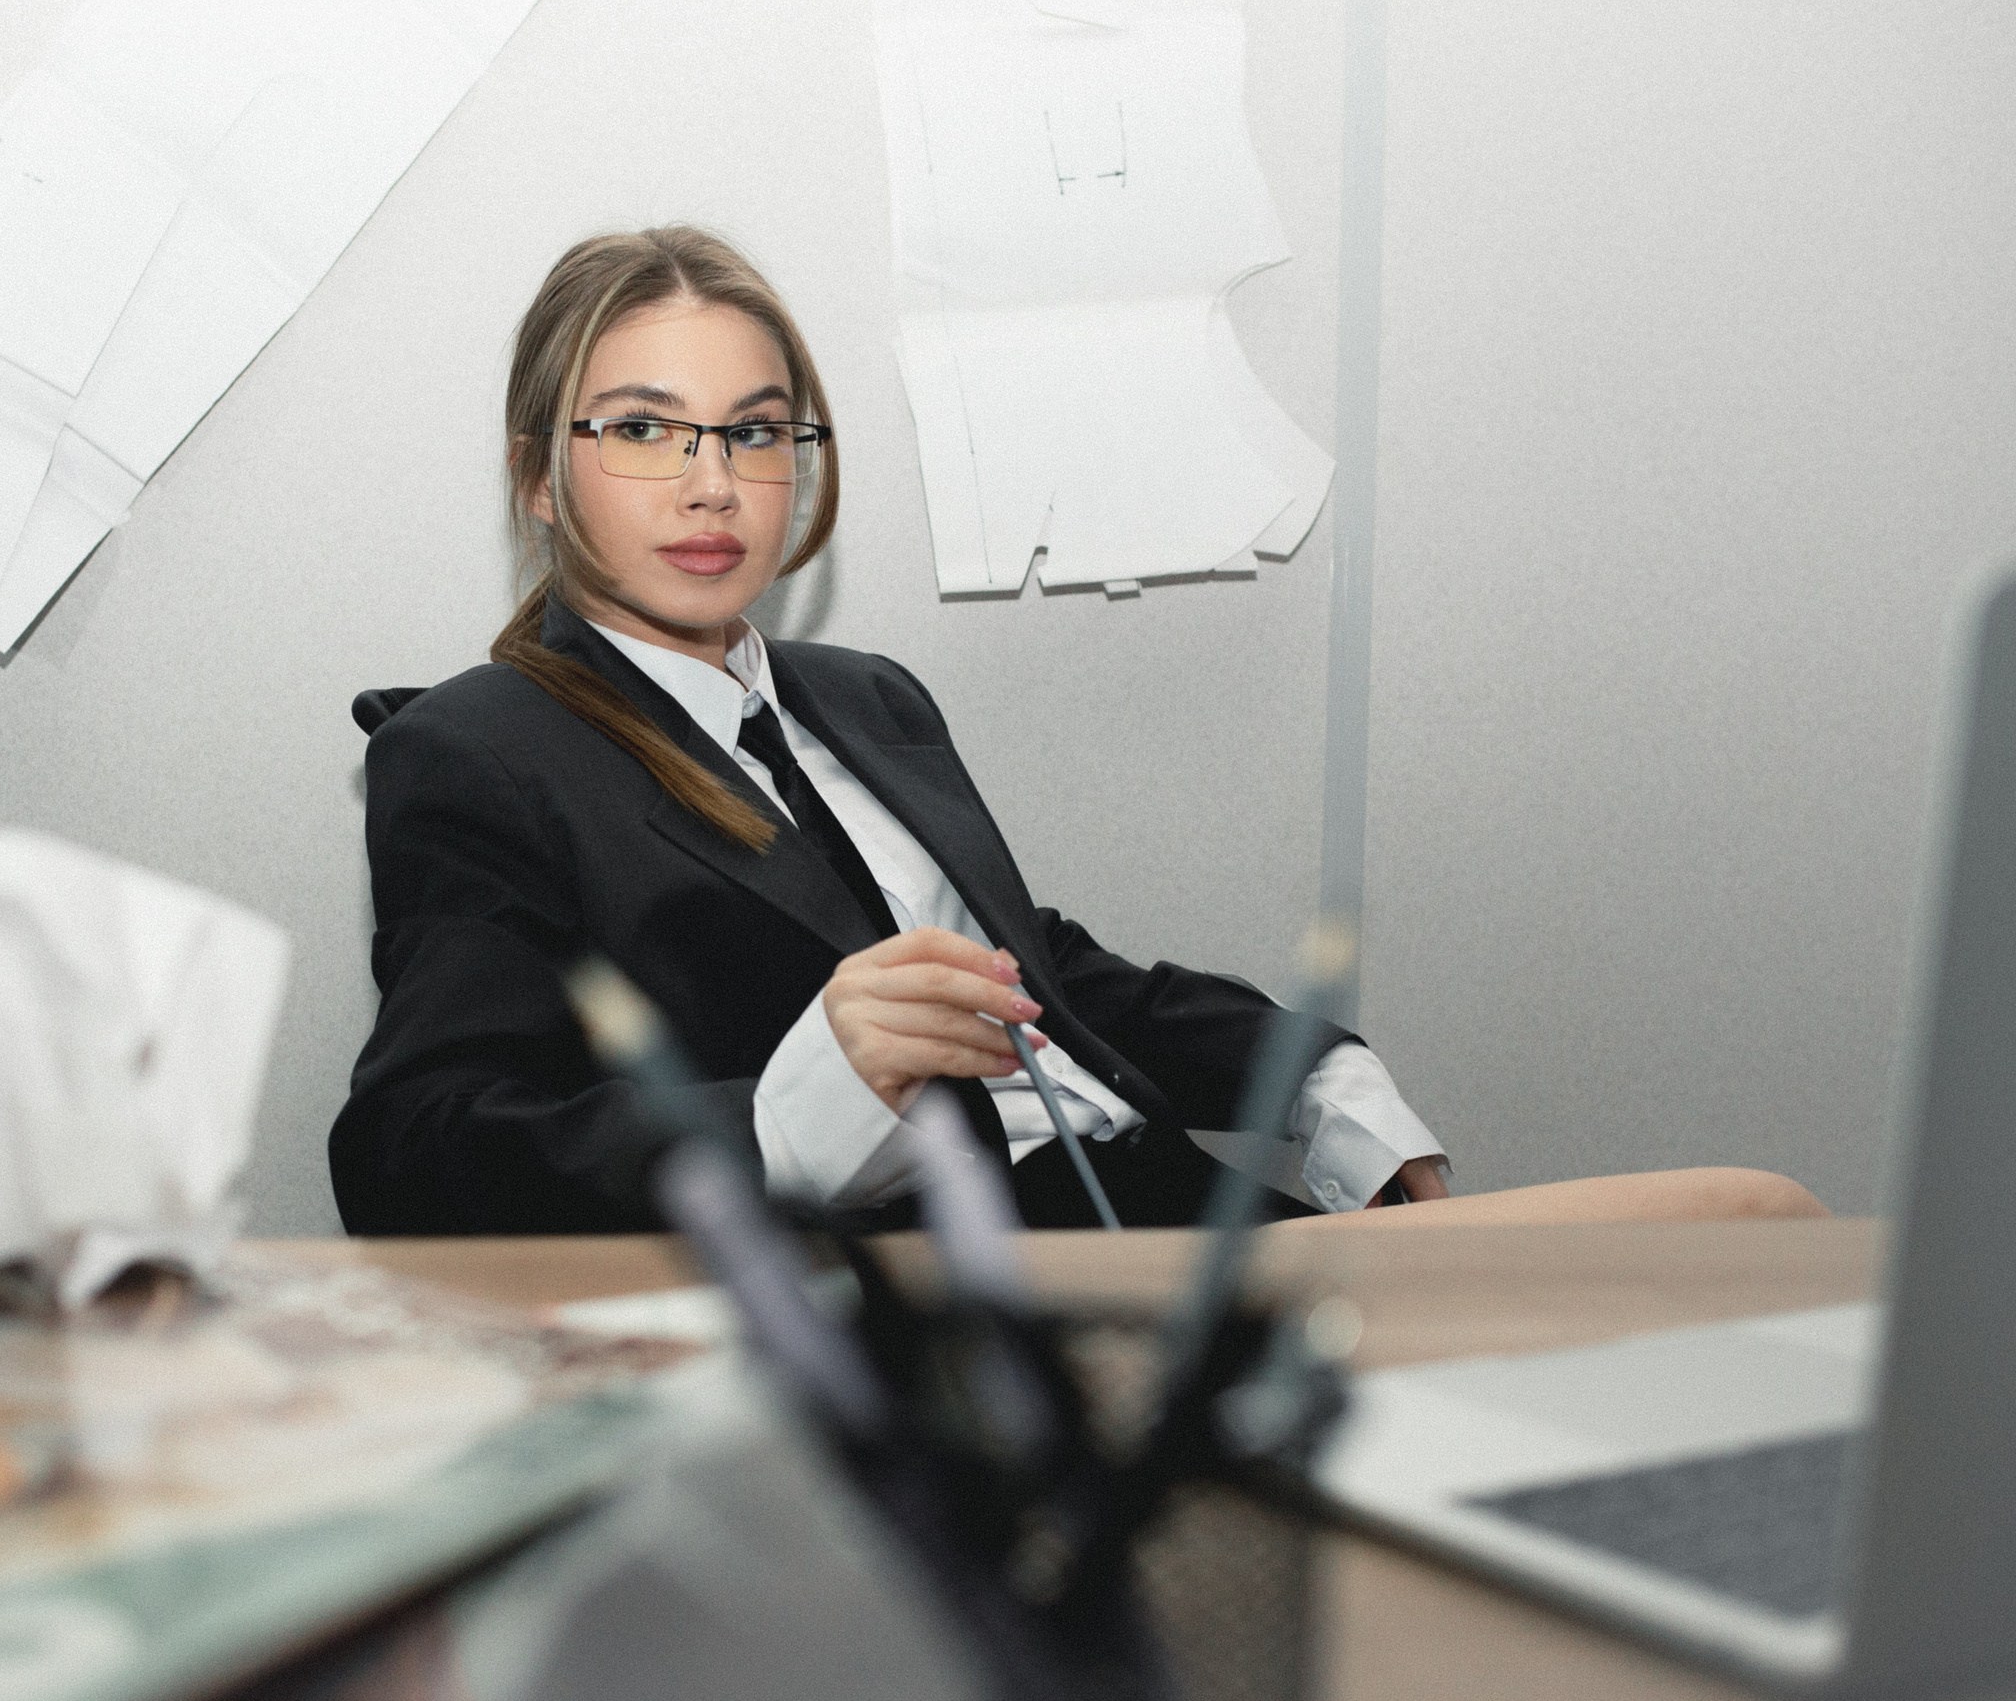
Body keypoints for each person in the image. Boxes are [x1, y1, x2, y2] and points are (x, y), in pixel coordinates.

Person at [329, 227, 1820, 1237]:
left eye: (758, 428)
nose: (712, 482)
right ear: (540, 477)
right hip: (980, 1317)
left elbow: (1047, 975)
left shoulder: (865, 699)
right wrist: (798, 1105)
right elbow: (415, 1154)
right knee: (1745, 1235)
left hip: (1171, 1218)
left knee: (1751, 1240)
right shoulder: (477, 755)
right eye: (643, 429)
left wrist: (1320, 1085)